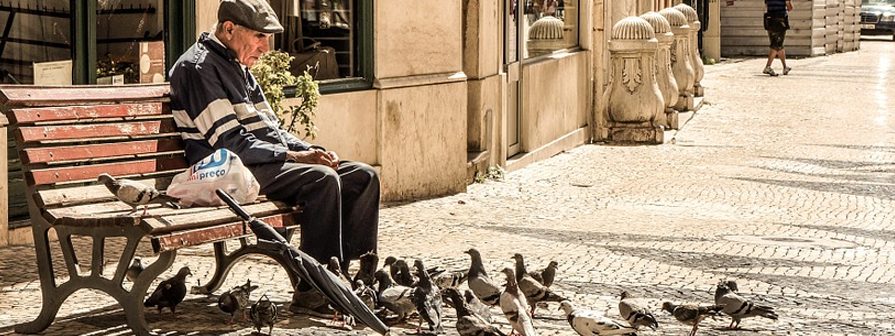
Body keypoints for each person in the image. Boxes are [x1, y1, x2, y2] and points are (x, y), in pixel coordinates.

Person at [167, 0, 379, 314]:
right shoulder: (199, 68)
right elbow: (228, 142)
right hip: (225, 173)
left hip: (257, 164)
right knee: (321, 180)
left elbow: (272, 129)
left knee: (363, 176)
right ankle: (314, 289)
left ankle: (353, 279)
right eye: (259, 37)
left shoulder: (236, 64)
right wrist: (294, 155)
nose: (266, 47)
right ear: (229, 29)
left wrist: (309, 151)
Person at [763, 0, 793, 76]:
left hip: (769, 21)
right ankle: (768, 67)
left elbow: (766, 7)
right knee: (776, 45)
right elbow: (790, 8)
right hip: (780, 21)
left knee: (779, 45)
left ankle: (785, 67)